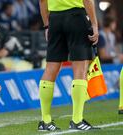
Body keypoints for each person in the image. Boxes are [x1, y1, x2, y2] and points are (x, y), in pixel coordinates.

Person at [38, 0, 99, 131]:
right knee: (80, 68)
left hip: (54, 19)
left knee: (51, 68)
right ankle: (77, 120)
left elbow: (42, 1)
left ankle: (45, 121)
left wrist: (47, 26)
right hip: (76, 17)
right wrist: (94, 24)